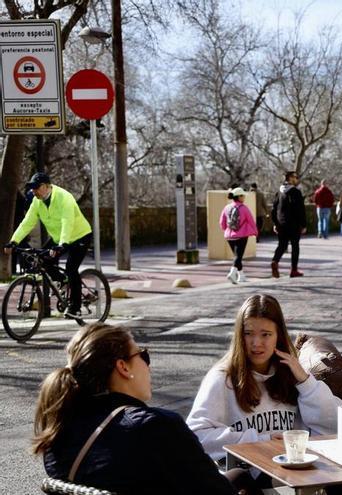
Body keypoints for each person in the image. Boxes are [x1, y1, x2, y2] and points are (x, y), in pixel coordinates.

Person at [34, 323, 237, 494]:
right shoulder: (157, 427)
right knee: (241, 476)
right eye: (143, 356)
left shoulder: (58, 428)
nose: (148, 365)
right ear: (123, 367)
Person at [187, 295, 342, 464]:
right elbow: (195, 436)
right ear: (239, 336)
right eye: (248, 334)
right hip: (249, 475)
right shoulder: (222, 379)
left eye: (266, 334)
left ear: (279, 336)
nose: (256, 343)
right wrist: (260, 440)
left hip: (297, 469)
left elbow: (336, 426)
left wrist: (306, 383)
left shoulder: (292, 374)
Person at [4, 173, 92, 318]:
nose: (33, 191)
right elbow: (27, 223)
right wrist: (14, 241)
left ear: (46, 186)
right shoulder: (37, 201)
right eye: (32, 188)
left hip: (79, 236)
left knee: (71, 268)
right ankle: (63, 281)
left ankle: (75, 308)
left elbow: (67, 222)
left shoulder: (64, 197)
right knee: (43, 260)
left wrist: (62, 244)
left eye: (36, 188)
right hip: (59, 238)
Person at [271, 171, 307, 278]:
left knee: (282, 245)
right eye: (296, 177)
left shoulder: (279, 192)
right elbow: (300, 209)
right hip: (294, 224)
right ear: (290, 178)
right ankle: (293, 270)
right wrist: (303, 224)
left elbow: (274, 209)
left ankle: (275, 261)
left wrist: (275, 223)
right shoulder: (295, 192)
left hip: (281, 223)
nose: (297, 179)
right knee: (295, 246)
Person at [220, 187, 258, 284]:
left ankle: (241, 276)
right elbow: (251, 221)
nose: (244, 197)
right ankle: (232, 273)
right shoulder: (244, 208)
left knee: (237, 256)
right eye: (243, 195)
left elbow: (222, 222)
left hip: (229, 236)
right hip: (241, 235)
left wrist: (227, 230)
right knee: (238, 256)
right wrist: (255, 232)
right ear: (239, 197)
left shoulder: (226, 207)